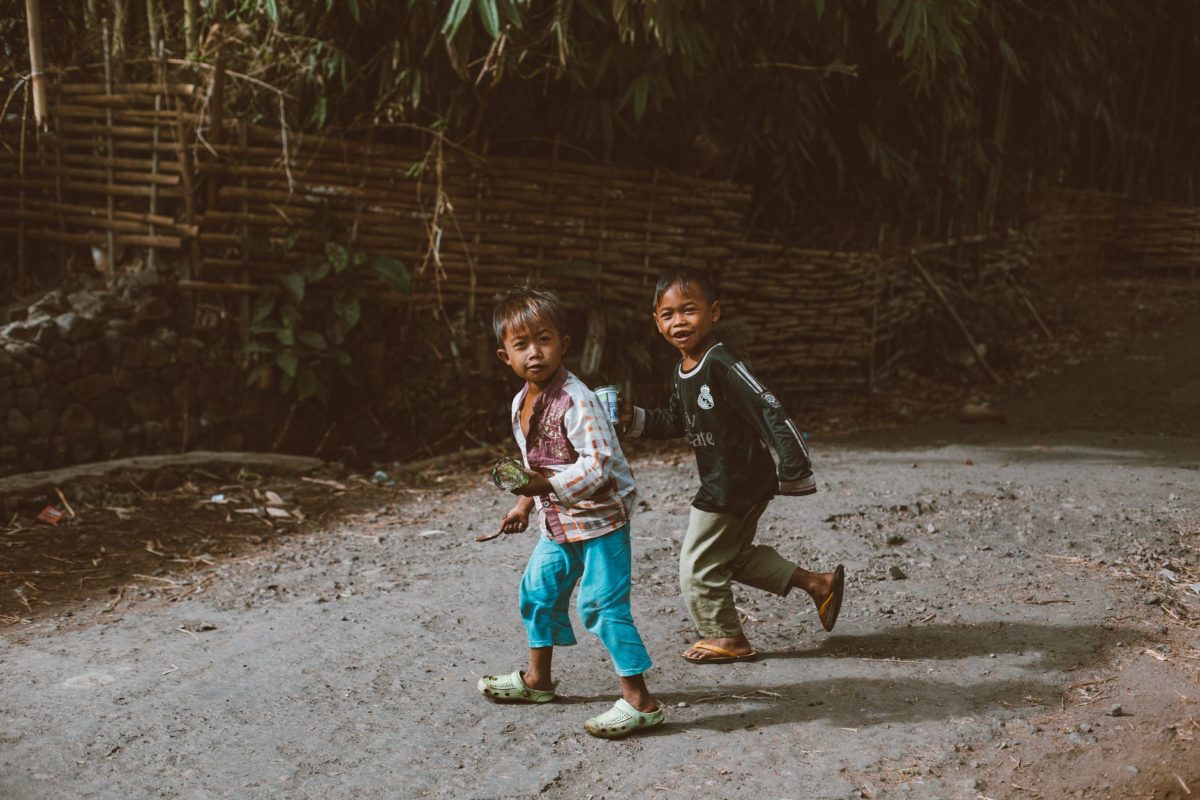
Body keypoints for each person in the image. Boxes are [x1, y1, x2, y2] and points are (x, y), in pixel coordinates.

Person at [621, 269, 845, 664]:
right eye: (668, 315)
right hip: (726, 480)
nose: (679, 322)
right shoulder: (683, 368)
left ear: (715, 312)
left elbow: (767, 407)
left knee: (697, 566)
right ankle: (818, 583)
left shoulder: (721, 362)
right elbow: (676, 420)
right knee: (733, 557)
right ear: (656, 323)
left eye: (689, 310)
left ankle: (726, 636)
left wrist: (794, 467)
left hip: (734, 483)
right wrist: (632, 417)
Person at [476, 285, 664, 739]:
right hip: (557, 523)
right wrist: (524, 502)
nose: (534, 353)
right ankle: (538, 681)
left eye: (544, 340)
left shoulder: (580, 400)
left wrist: (543, 487)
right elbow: (534, 465)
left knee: (601, 605)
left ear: (565, 343)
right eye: (521, 345)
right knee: (537, 592)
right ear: (506, 357)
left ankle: (641, 701)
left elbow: (598, 467)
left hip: (601, 523)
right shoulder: (521, 403)